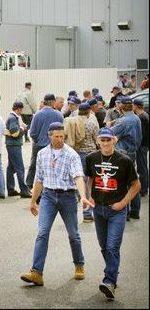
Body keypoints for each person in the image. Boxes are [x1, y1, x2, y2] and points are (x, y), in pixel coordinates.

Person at [20, 122, 92, 287]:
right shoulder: (42, 154)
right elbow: (39, 179)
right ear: (49, 136)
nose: (60, 139)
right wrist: (33, 201)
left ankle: (79, 264)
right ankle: (36, 273)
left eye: (62, 136)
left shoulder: (71, 154)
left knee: (73, 234)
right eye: (57, 136)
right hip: (48, 197)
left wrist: (82, 196)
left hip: (67, 197)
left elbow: (78, 177)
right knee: (42, 233)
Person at [85, 128, 141, 300]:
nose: (106, 143)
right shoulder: (91, 158)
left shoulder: (124, 160)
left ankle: (109, 281)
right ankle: (112, 270)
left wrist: (123, 203)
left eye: (108, 140)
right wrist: (90, 196)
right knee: (104, 247)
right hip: (99, 209)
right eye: (102, 140)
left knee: (112, 247)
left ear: (114, 140)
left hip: (117, 210)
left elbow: (136, 185)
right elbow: (90, 178)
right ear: (98, 141)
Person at [111, 97, 142, 219]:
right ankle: (135, 211)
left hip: (123, 153)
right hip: (133, 151)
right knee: (133, 181)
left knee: (122, 183)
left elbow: (109, 133)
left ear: (121, 107)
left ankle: (126, 213)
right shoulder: (136, 118)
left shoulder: (123, 121)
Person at [26, 93, 64, 190]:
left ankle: (29, 184)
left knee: (35, 165)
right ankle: (52, 186)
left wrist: (37, 141)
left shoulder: (37, 115)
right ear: (52, 102)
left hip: (40, 145)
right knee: (53, 167)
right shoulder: (59, 115)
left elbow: (32, 132)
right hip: (55, 146)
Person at [5, 102, 32, 198]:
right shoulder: (13, 118)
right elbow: (14, 132)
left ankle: (10, 189)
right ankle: (24, 190)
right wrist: (22, 128)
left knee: (11, 168)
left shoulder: (13, 117)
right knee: (20, 168)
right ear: (19, 109)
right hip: (14, 145)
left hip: (11, 145)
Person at [132, 98, 148, 197]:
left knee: (142, 168)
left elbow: (140, 134)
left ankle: (143, 189)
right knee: (144, 167)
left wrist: (136, 145)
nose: (132, 107)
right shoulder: (144, 115)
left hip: (142, 146)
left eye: (133, 105)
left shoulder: (141, 117)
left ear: (137, 106)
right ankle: (145, 187)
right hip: (145, 145)